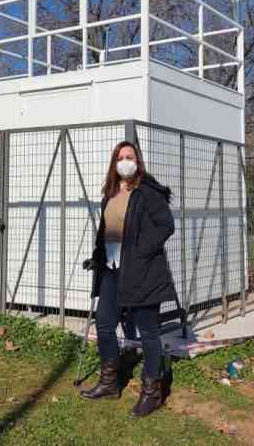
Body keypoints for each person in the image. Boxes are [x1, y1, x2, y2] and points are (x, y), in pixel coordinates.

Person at [79, 140, 178, 418]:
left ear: (138, 161)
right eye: (120, 157)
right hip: (111, 269)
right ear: (114, 163)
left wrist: (140, 250)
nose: (125, 161)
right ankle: (110, 383)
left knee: (148, 330)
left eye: (130, 157)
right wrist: (97, 255)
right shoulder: (109, 194)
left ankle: (152, 392)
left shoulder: (147, 191)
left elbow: (165, 226)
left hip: (143, 271)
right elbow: (106, 231)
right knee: (105, 324)